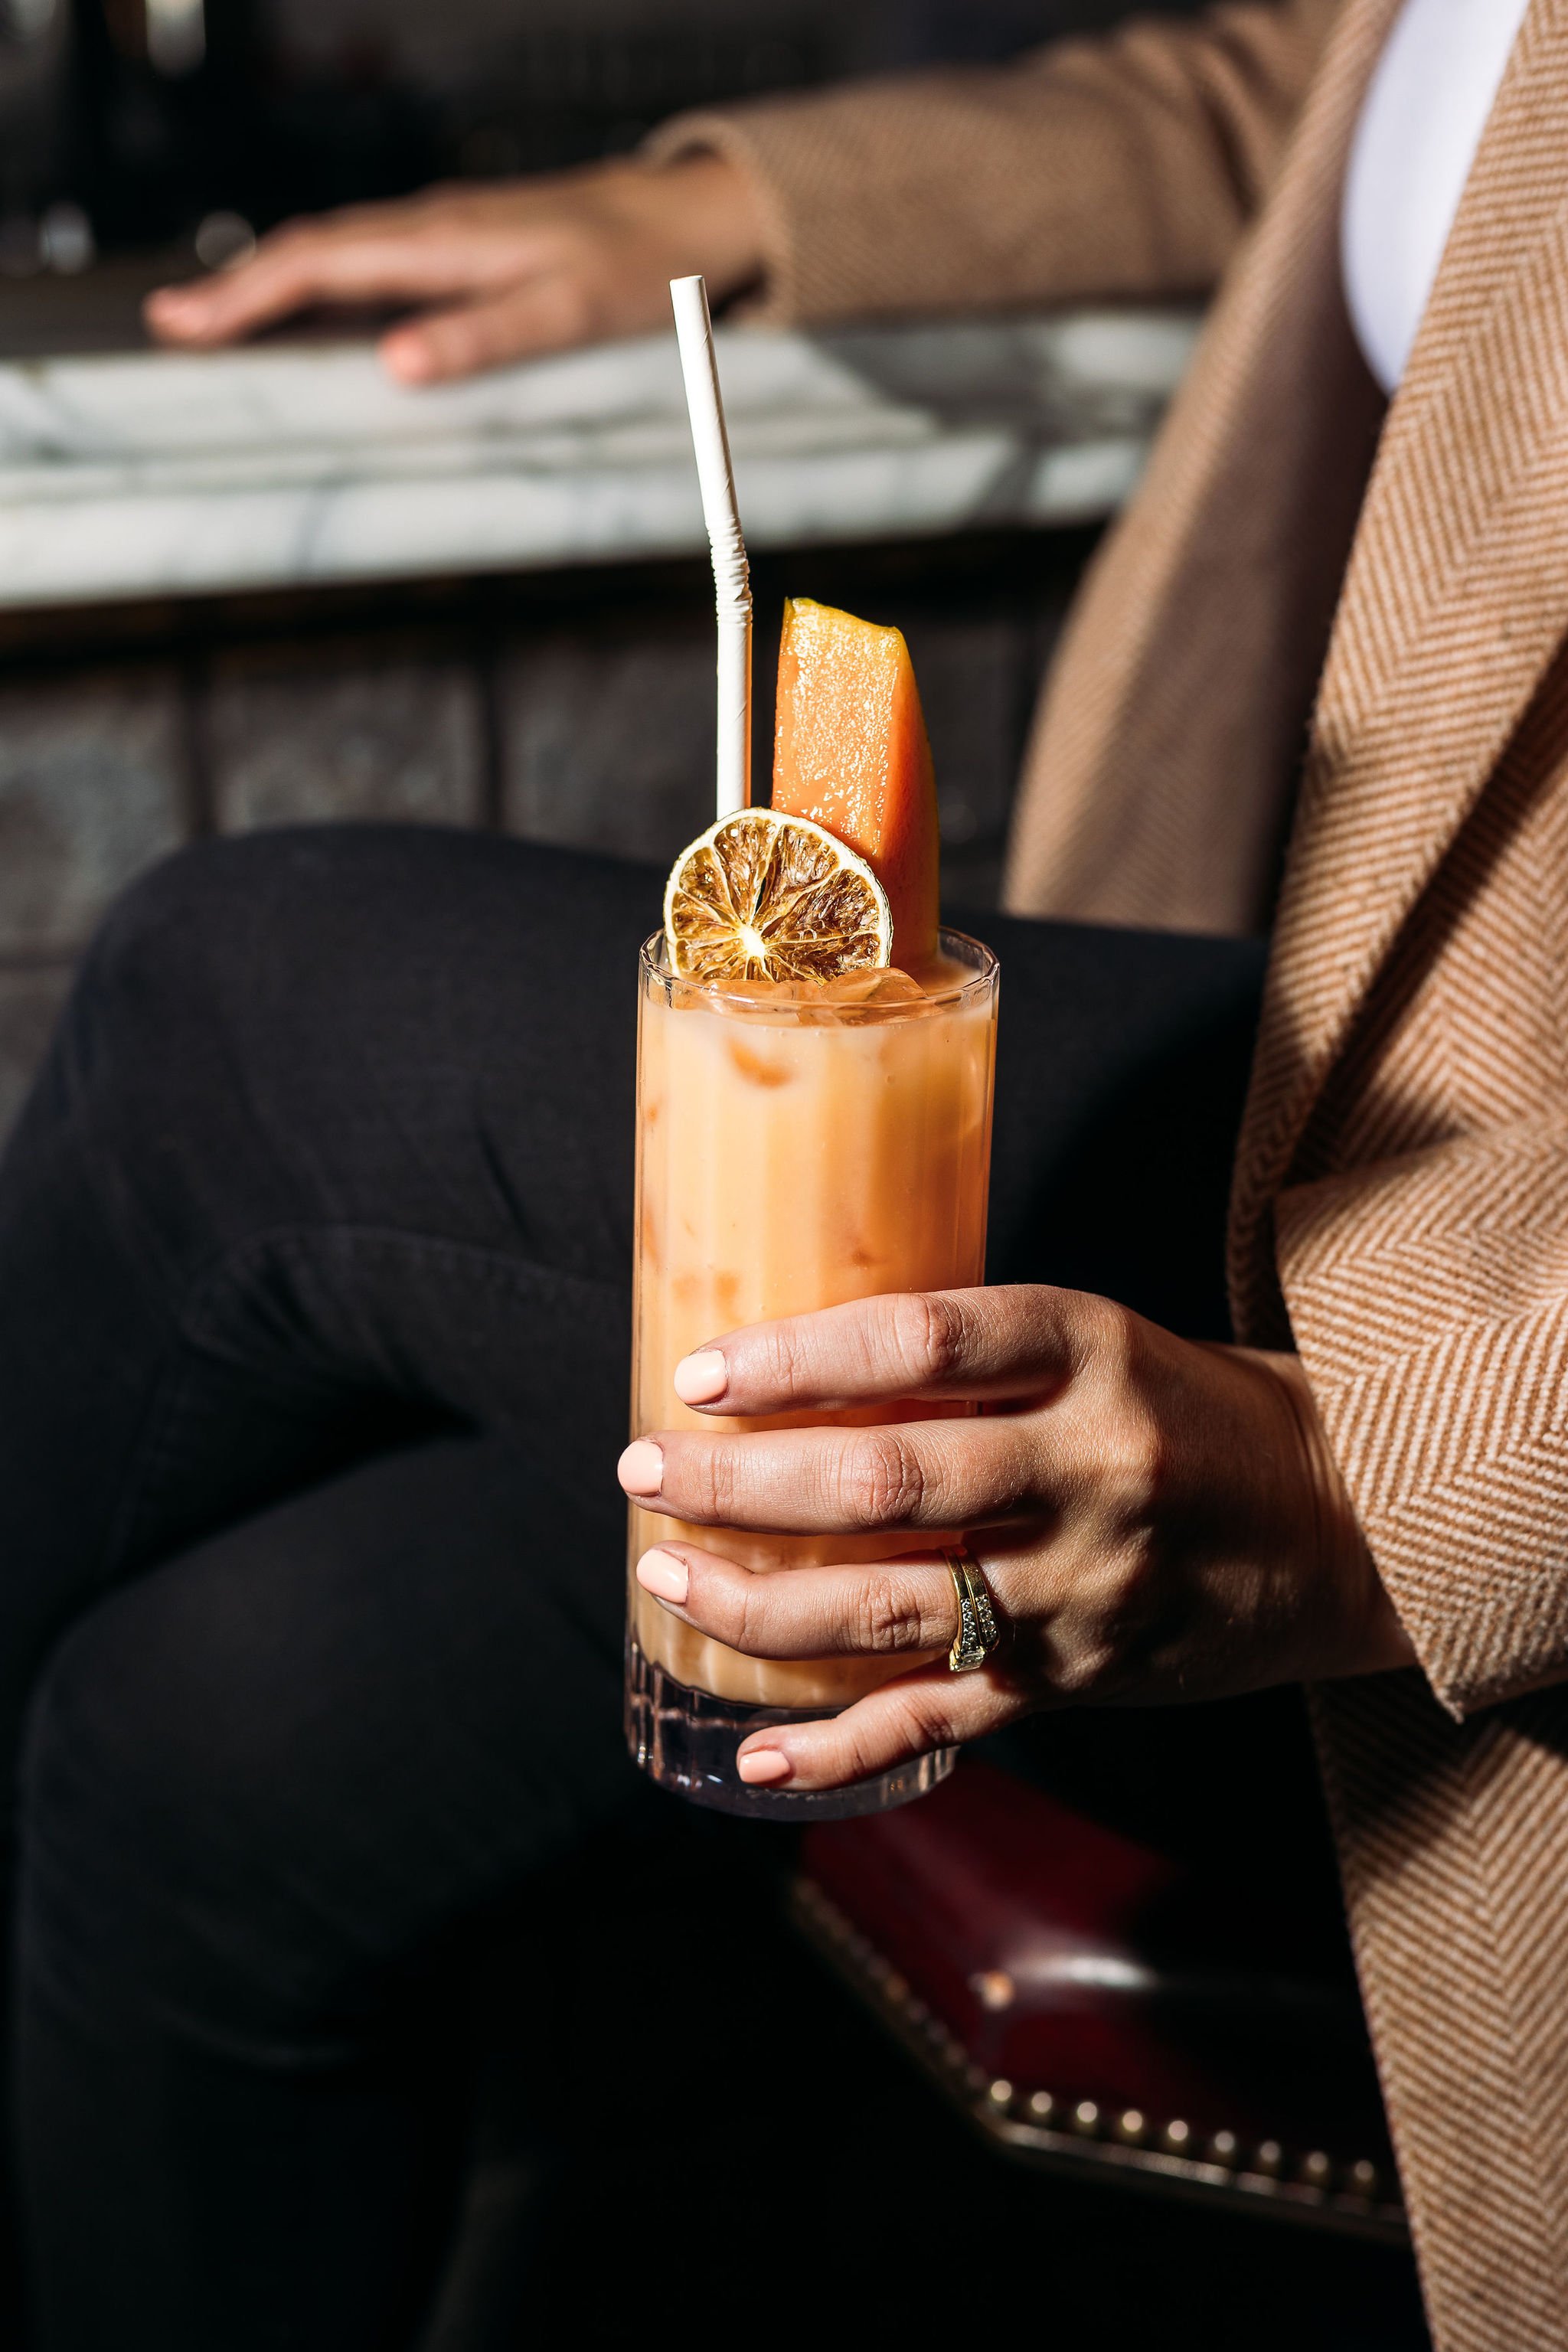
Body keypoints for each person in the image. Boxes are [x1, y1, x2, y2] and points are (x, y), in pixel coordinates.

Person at [1, 0, 1558, 2344]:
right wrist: (724, 206)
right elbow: (1372, 89)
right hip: (1326, 1099)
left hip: (1477, 1341)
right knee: (208, 1750)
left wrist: (1392, 1488)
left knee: (230, 1004)